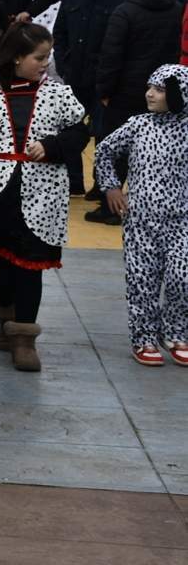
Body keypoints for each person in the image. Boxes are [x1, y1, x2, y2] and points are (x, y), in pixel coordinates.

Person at [0, 24, 87, 371]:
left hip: (43, 192)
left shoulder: (58, 93)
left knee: (31, 264)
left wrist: (52, 146)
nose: (46, 64)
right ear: (17, 58)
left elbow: (79, 132)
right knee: (3, 265)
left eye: (48, 57)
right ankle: (7, 317)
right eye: (39, 57)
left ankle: (24, 337)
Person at [94, 64, 188, 367]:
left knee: (182, 277)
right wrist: (111, 187)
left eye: (159, 89)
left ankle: (177, 332)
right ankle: (144, 337)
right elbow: (104, 151)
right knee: (142, 281)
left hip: (182, 220)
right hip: (141, 221)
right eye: (149, 87)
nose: (150, 94)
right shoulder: (138, 125)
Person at [92, 0, 186, 224]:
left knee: (116, 149)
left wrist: (104, 91)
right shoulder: (176, 9)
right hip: (165, 92)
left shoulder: (125, 12)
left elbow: (111, 56)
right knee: (158, 151)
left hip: (125, 92)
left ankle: (110, 207)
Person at [53, 0, 123, 197]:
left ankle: (101, 185)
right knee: (70, 129)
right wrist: (63, 64)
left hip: (104, 80)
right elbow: (60, 33)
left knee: (104, 134)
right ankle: (73, 181)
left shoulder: (119, 0)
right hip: (74, 75)